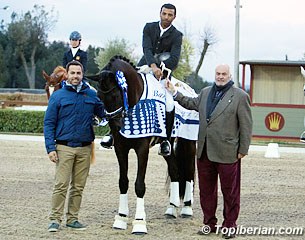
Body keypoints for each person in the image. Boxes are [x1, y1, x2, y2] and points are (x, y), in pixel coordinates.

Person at [166, 64, 253, 239]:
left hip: (228, 152)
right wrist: (174, 92)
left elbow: (246, 125)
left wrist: (243, 149)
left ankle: (230, 225)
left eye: (224, 74)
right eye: (218, 73)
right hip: (205, 152)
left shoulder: (240, 96)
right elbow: (190, 104)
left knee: (230, 192)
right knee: (206, 192)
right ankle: (209, 224)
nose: (220, 76)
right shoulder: (205, 92)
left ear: (229, 76)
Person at [100, 3, 183, 156]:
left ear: (174, 17)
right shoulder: (149, 27)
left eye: (169, 15)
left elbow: (175, 59)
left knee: (169, 102)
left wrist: (161, 69)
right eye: (164, 14)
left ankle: (165, 140)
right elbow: (147, 49)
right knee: (124, 93)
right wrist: (152, 65)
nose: (166, 17)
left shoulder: (177, 35)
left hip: (163, 74)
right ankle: (112, 133)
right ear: (160, 13)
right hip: (144, 68)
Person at [44, 60, 105, 232]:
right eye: (73, 73)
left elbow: (103, 113)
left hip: (85, 148)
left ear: (82, 74)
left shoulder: (91, 95)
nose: (76, 76)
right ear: (67, 75)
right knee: (61, 185)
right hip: (64, 148)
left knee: (78, 187)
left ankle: (72, 219)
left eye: (78, 73)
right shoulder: (57, 96)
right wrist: (50, 148)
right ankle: (55, 219)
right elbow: (49, 123)